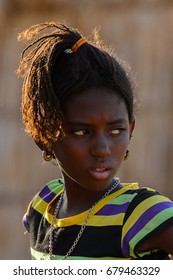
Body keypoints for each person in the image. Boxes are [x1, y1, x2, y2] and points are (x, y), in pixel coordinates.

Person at [17, 22, 173, 260]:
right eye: (81, 132)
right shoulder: (42, 207)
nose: (102, 149)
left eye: (115, 130)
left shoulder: (142, 214)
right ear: (45, 136)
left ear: (130, 130)